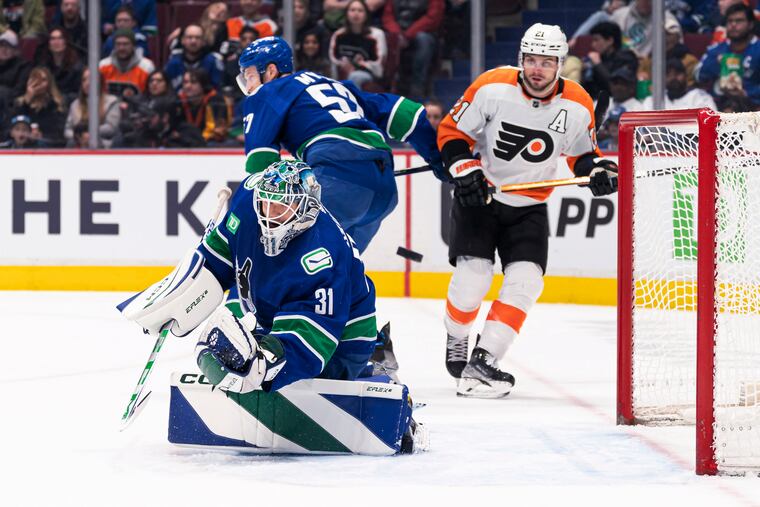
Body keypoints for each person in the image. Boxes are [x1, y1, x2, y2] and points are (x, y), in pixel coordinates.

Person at [118, 160, 425, 452]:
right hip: (270, 309)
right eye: (266, 203)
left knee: (304, 376)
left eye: (280, 207)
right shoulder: (249, 199)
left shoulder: (322, 256)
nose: (268, 213)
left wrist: (264, 364)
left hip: (342, 336)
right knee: (234, 350)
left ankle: (374, 360)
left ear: (305, 208)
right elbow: (221, 255)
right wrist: (182, 296)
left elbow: (308, 342)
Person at [437, 24, 619, 398]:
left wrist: (600, 171)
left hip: (530, 205)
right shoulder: (491, 86)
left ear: (559, 64)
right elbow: (453, 132)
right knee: (473, 278)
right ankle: (457, 338)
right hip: (481, 199)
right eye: (531, 60)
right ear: (521, 60)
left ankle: (483, 360)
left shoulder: (578, 103)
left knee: (526, 281)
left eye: (547, 62)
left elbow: (584, 155)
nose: (538, 69)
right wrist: (464, 169)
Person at [236, 36, 443, 253]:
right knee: (342, 268)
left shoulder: (266, 93)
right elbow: (408, 114)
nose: (248, 87)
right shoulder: (335, 85)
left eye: (249, 76)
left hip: (338, 176)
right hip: (384, 187)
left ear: (270, 71)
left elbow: (260, 164)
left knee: (287, 260)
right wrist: (439, 159)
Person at [696, 3, 760, 108]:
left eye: (739, 21)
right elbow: (698, 75)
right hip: (719, 106)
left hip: (753, 107)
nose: (733, 25)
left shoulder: (758, 49)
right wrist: (717, 64)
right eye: (730, 21)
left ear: (750, 24)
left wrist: (747, 93)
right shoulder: (717, 49)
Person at [382, 0, 443, 97]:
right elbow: (387, 17)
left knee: (423, 40)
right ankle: (388, 85)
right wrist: (398, 35)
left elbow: (432, 18)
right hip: (397, 33)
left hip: (422, 32)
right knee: (383, 37)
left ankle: (418, 86)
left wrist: (407, 35)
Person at [329, 0, 386, 89]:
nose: (356, 14)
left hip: (368, 73)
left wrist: (358, 65)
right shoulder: (338, 35)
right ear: (346, 13)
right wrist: (343, 63)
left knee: (355, 76)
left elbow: (378, 62)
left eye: (360, 10)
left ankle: (352, 102)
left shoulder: (376, 35)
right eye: (352, 10)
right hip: (342, 70)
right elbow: (333, 58)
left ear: (366, 14)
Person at [580, 21, 638, 100]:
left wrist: (598, 64)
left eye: (596, 40)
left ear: (610, 40)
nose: (593, 45)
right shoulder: (600, 58)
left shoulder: (626, 58)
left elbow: (617, 86)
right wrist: (584, 71)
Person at [64, 68, 121, 148]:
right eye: (84, 80)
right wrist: (79, 136)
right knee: (71, 143)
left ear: (100, 81)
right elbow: (67, 130)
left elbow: (111, 128)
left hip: (104, 143)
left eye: (91, 79)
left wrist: (91, 133)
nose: (87, 83)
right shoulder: (75, 104)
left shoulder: (112, 101)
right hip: (79, 143)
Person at [11, 66, 66, 146]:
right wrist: (28, 98)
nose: (38, 83)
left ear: (49, 83)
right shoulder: (19, 103)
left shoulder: (56, 105)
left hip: (47, 149)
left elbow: (59, 136)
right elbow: (13, 125)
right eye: (35, 78)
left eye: (43, 80)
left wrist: (41, 136)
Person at [176, 68, 231, 144]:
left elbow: (218, 130)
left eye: (193, 82)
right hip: (188, 142)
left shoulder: (215, 100)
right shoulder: (179, 101)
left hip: (211, 142)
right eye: (185, 82)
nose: (188, 86)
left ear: (203, 84)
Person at [164, 24, 224, 92]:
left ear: (203, 42)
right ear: (182, 40)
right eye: (189, 37)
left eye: (197, 38)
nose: (193, 41)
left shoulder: (212, 62)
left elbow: (218, 91)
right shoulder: (173, 63)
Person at [611, 0, 679, 58]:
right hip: (620, 63)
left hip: (652, 66)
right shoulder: (618, 15)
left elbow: (677, 50)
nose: (646, 2)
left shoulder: (669, 20)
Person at [642, 57, 717, 110]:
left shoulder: (700, 97)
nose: (673, 78)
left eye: (677, 73)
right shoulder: (653, 100)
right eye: (668, 74)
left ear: (686, 75)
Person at [99, 28, 155, 97]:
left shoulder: (146, 67)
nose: (121, 48)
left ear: (133, 45)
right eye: (118, 44)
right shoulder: (103, 66)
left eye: (126, 44)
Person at [36, 27, 83, 103]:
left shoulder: (77, 67)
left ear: (65, 42)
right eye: (53, 39)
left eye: (60, 38)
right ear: (49, 44)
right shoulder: (43, 66)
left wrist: (60, 98)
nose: (56, 42)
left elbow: (80, 93)